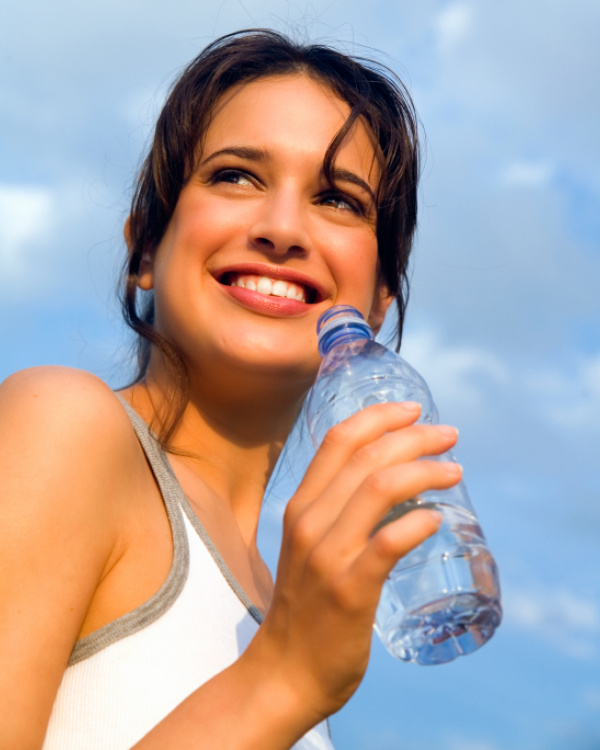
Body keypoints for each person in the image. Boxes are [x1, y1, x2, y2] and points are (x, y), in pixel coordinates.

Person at [0, 29, 462, 749]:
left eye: (338, 199)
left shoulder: (287, 609)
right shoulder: (62, 424)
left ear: (378, 304)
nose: (282, 229)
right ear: (146, 249)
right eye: (235, 176)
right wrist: (282, 680)